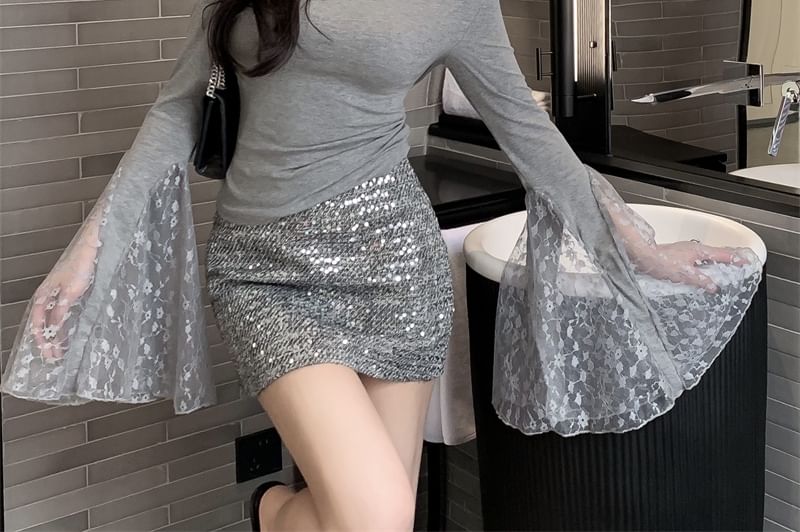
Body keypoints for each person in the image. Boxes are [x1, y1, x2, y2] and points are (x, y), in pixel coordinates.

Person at [1, 0, 759, 531]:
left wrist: (638, 244)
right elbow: (177, 111)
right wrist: (86, 254)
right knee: (375, 514)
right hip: (263, 273)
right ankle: (271, 511)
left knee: (375, 522)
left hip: (394, 266)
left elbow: (527, 133)